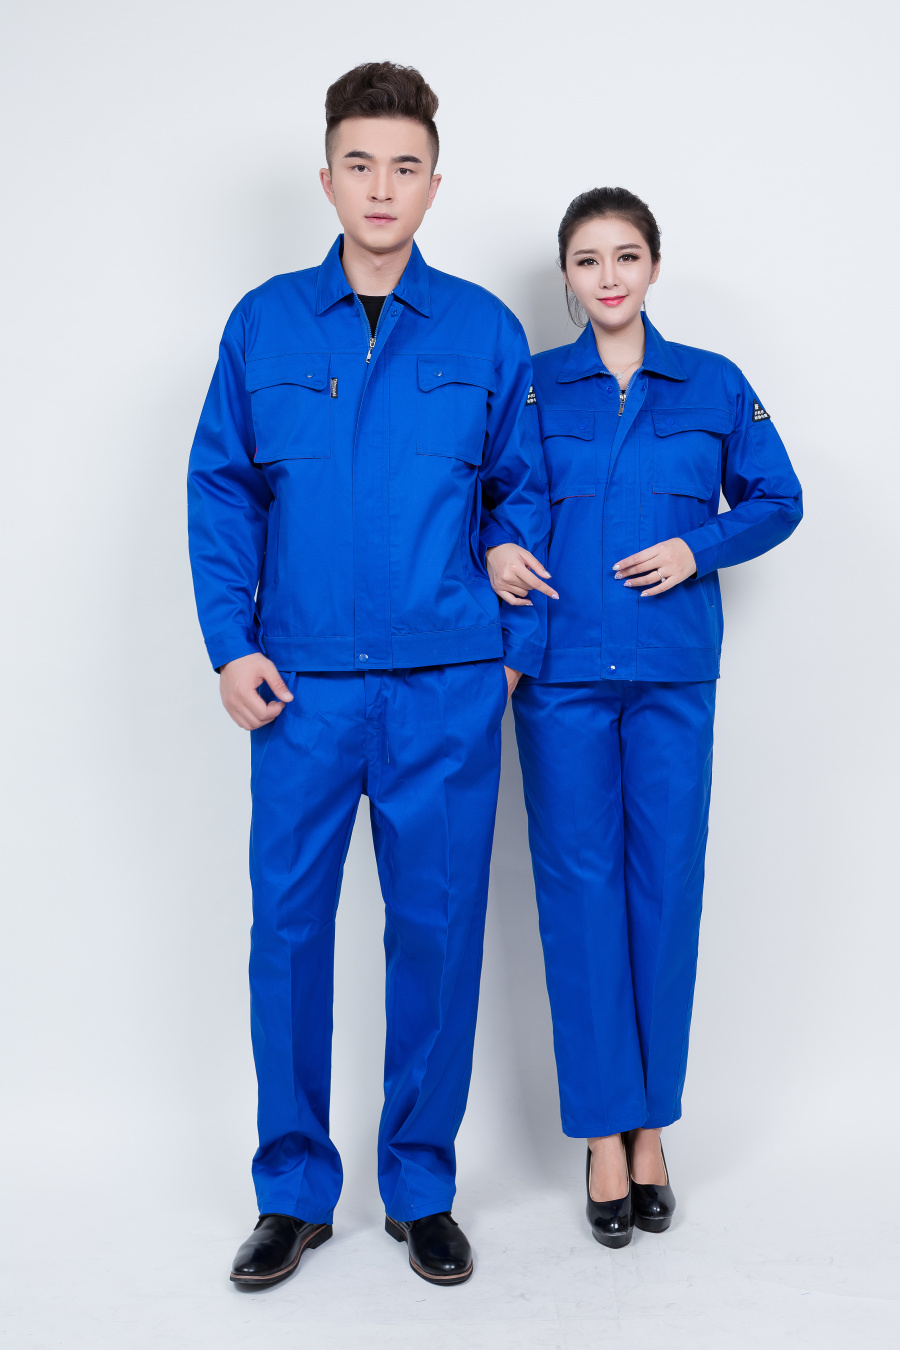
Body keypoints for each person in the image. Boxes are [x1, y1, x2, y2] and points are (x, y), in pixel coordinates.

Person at [187, 62, 553, 1288]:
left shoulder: (485, 332)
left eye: (405, 167)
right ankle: (292, 1191)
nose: (382, 187)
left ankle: (420, 1185)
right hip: (299, 689)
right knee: (288, 932)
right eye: (360, 164)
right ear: (328, 177)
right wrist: (231, 643)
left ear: (434, 185)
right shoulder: (264, 323)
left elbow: (525, 497)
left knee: (436, 934)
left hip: (447, 684)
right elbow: (223, 490)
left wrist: (511, 658)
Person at [494, 187, 802, 1247]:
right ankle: (601, 1133)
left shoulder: (713, 382)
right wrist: (498, 559)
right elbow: (498, 505)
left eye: (626, 256)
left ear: (654, 267)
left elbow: (778, 498)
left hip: (673, 673)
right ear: (568, 277)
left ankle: (652, 1127)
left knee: (664, 893)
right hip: (562, 676)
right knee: (579, 899)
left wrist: (698, 547)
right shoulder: (533, 386)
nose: (609, 276)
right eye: (588, 260)